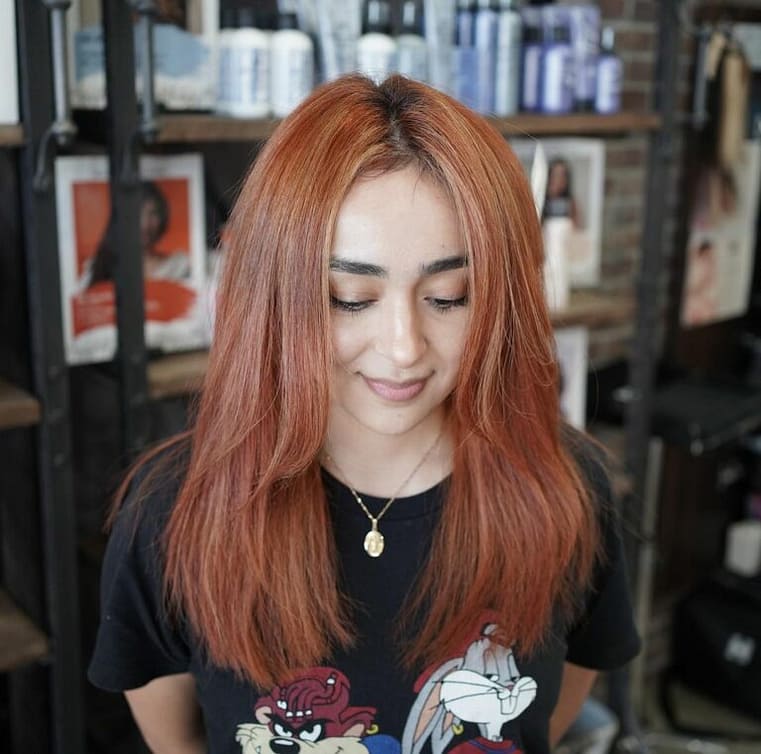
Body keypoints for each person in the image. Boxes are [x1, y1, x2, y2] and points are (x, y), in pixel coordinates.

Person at [88, 75, 640, 754]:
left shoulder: (565, 489)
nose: (403, 348)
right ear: (274, 297)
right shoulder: (173, 513)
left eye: (449, 295)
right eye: (350, 298)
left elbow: (543, 718)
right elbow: (177, 740)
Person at [86, 180, 190, 287]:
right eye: (136, 213)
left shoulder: (178, 267)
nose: (145, 224)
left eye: (153, 213)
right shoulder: (98, 267)